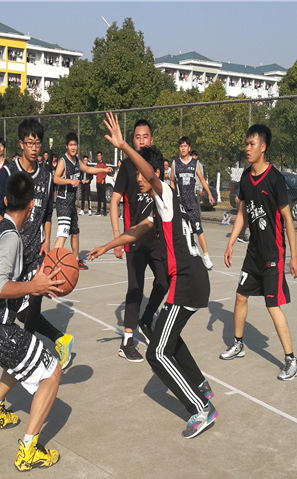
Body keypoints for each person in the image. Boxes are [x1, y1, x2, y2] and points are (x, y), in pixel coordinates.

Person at [89, 112, 216, 439]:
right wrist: (107, 246)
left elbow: (148, 172)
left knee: (156, 352)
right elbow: (137, 230)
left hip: (186, 281)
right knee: (167, 337)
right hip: (192, 280)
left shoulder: (165, 193)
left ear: (155, 173)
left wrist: (123, 147)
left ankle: (200, 409)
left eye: (142, 173)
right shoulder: (161, 207)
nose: (139, 178)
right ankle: (200, 384)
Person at [0, 170, 64, 471]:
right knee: (52, 371)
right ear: (33, 204)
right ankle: (28, 450)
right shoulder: (11, 237)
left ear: (6, 200)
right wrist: (33, 287)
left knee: (22, 356)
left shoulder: (1, 229)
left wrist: (37, 281)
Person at [0, 119, 74, 369]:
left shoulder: (46, 177)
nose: (35, 148)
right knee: (15, 308)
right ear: (21, 144)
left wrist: (46, 240)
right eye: (29, 143)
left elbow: (47, 213)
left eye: (38, 143)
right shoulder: (8, 173)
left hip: (35, 253)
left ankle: (27, 356)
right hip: (12, 252)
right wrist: (10, 236)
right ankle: (59, 339)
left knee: (34, 301)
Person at [222, 124, 297, 381]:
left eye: (252, 144)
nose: (247, 148)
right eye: (246, 144)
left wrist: (293, 256)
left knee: (272, 306)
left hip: (273, 255)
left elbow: (288, 219)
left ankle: (291, 360)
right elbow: (242, 214)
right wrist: (231, 242)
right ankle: (238, 344)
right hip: (253, 253)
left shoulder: (275, 179)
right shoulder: (246, 177)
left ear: (263, 147)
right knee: (240, 296)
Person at [109, 120, 168, 362]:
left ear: (151, 140)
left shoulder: (156, 164)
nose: (142, 140)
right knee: (135, 288)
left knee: (164, 281)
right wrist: (117, 237)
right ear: (132, 141)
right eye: (137, 137)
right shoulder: (126, 167)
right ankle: (127, 342)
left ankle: (147, 318)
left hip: (156, 238)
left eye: (145, 136)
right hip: (134, 239)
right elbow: (114, 201)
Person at [53, 132, 111, 270]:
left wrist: (103, 169)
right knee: (63, 234)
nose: (73, 147)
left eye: (75, 145)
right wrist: (70, 181)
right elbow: (55, 178)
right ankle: (52, 263)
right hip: (63, 203)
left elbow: (89, 169)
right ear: (67, 146)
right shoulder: (63, 161)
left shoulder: (77, 161)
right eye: (71, 145)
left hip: (71, 204)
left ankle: (75, 260)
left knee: (75, 233)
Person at [170, 138, 214, 270]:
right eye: (181, 146)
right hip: (180, 202)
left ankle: (206, 256)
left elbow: (201, 179)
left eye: (185, 146)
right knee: (182, 230)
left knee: (198, 229)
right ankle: (188, 251)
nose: (183, 148)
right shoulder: (175, 163)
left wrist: (209, 193)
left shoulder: (195, 163)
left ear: (189, 148)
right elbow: (172, 180)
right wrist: (172, 196)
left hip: (192, 202)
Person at [94, 151, 108, 216]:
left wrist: (103, 179)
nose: (99, 157)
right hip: (98, 182)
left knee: (103, 197)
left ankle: (104, 211)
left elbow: (105, 172)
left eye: (100, 156)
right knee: (98, 197)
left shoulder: (104, 164)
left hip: (102, 182)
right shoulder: (97, 164)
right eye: (98, 156)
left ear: (101, 156)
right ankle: (98, 211)